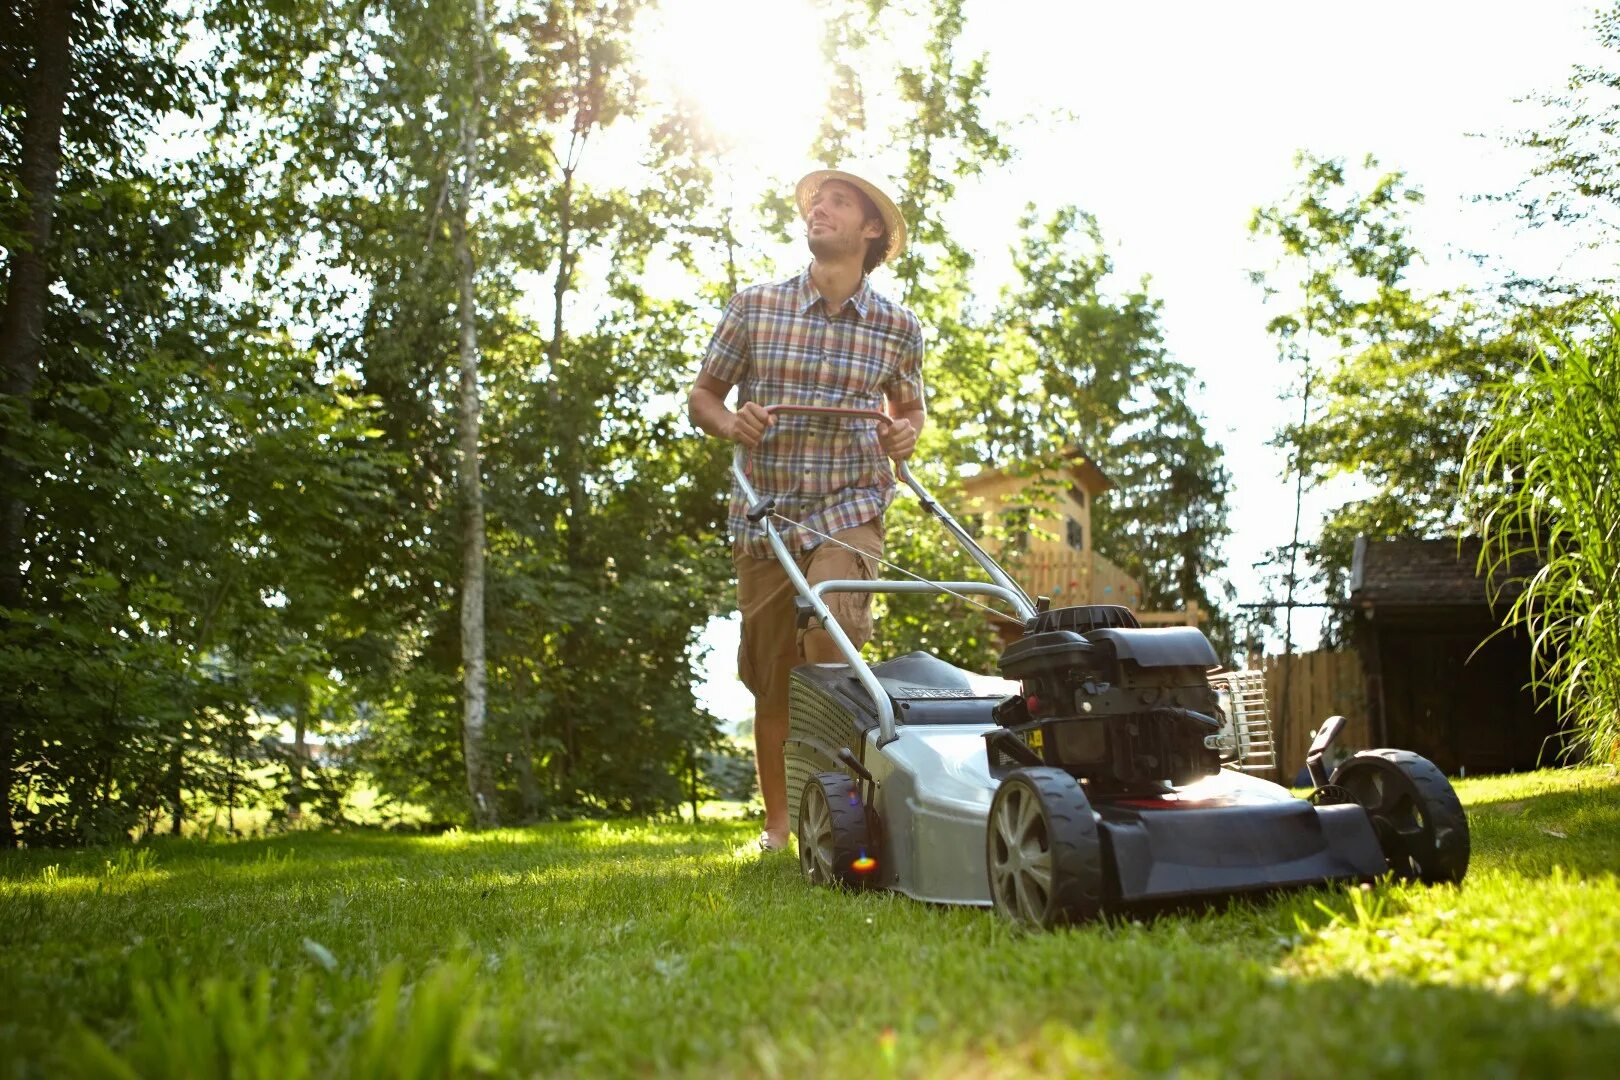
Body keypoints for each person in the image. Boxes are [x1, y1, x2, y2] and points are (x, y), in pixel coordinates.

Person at [688, 167, 927, 852]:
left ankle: (848, 807)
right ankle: (781, 824)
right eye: (816, 200)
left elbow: (908, 407)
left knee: (829, 625)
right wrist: (731, 423)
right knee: (776, 682)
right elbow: (703, 396)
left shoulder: (897, 327)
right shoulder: (755, 306)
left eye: (838, 201)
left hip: (852, 499)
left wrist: (905, 430)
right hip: (765, 513)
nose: (819, 207)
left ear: (871, 229)